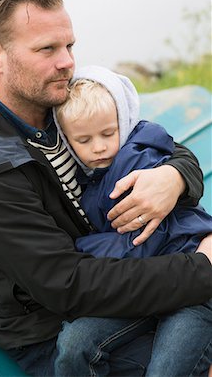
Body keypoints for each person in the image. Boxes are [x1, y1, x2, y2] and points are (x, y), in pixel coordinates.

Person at [0, 0, 212, 377]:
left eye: (69, 46)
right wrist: (202, 269)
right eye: (47, 49)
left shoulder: (53, 104)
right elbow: (68, 285)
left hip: (132, 273)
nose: (66, 62)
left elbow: (154, 144)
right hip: (60, 328)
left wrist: (174, 177)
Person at [54, 66, 212, 376]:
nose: (98, 146)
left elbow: (143, 239)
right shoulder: (91, 176)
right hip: (149, 286)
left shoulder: (134, 161)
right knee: (74, 346)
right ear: (67, 141)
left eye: (107, 134)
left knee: (166, 370)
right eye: (84, 140)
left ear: (123, 124)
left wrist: (86, 250)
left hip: (194, 283)